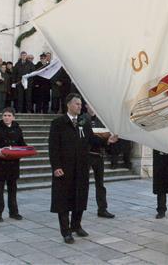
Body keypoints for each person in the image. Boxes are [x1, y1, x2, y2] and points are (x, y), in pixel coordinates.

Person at [48, 93, 104, 244]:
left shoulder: (84, 122)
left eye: (80, 104)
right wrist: (56, 166)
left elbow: (92, 139)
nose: (80, 107)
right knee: (63, 200)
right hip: (64, 168)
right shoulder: (58, 123)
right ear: (68, 105)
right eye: (77, 104)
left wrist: (108, 140)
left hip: (81, 167)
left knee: (80, 197)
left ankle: (76, 225)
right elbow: (53, 147)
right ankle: (66, 232)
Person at [0, 108, 26, 222]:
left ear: (13, 117)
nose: (6, 117)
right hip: (0, 164)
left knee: (12, 189)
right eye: (5, 115)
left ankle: (14, 212)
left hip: (13, 164)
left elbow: (22, 144)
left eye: (9, 115)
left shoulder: (17, 129)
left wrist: (27, 149)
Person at [85, 104, 117, 218]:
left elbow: (106, 137)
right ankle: (78, 208)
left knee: (100, 184)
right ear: (86, 106)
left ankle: (102, 209)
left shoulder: (101, 120)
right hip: (86, 155)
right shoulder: (83, 119)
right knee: (83, 183)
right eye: (90, 105)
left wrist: (108, 140)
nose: (92, 108)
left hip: (99, 155)